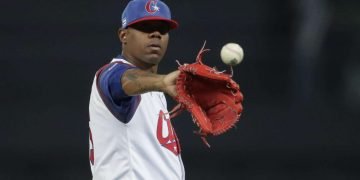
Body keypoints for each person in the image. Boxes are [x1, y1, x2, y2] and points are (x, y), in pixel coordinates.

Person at [88, 0, 185, 179]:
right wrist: (162, 82)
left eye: (163, 29)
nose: (156, 34)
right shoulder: (110, 74)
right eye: (146, 27)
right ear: (123, 35)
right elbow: (125, 80)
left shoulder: (155, 90)